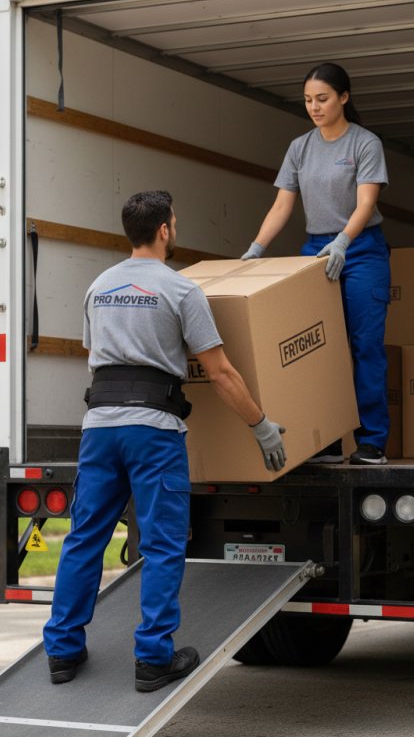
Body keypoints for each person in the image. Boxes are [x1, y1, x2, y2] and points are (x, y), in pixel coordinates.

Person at [43, 190, 287, 693]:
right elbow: (219, 372)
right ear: (165, 230)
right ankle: (153, 658)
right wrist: (261, 427)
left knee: (84, 537)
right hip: (153, 431)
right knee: (161, 544)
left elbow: (99, 358)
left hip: (100, 428)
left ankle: (62, 651)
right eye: (173, 223)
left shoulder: (97, 288)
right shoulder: (181, 291)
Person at [242, 62, 391, 466]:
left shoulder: (365, 143)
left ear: (344, 97)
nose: (314, 107)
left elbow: (367, 203)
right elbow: (282, 204)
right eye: (308, 100)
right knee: (315, 348)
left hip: (360, 250)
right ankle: (321, 436)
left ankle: (372, 441)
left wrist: (344, 241)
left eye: (322, 99)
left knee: (364, 348)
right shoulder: (300, 147)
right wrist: (256, 248)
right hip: (315, 251)